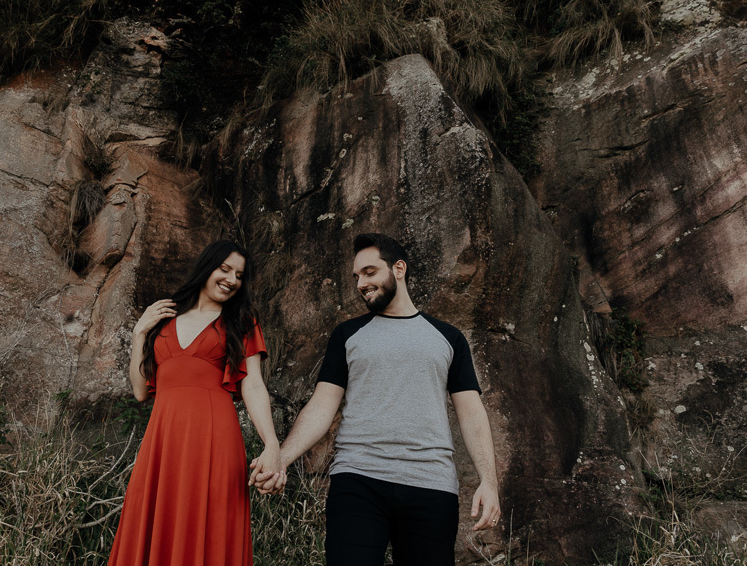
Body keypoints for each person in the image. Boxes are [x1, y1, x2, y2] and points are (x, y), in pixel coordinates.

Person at [251, 233, 501, 565]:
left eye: (369, 272)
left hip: (431, 485)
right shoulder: (347, 335)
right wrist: (280, 459)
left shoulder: (448, 337)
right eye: (356, 276)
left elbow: (471, 412)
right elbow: (323, 406)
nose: (361, 283)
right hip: (358, 481)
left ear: (399, 268)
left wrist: (489, 481)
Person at [108, 240, 284, 566]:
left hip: (215, 440)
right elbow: (140, 391)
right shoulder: (164, 317)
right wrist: (138, 333)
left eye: (239, 275)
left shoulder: (241, 320)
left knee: (211, 527)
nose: (232, 279)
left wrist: (271, 444)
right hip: (163, 441)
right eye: (225, 269)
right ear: (207, 267)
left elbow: (254, 385)